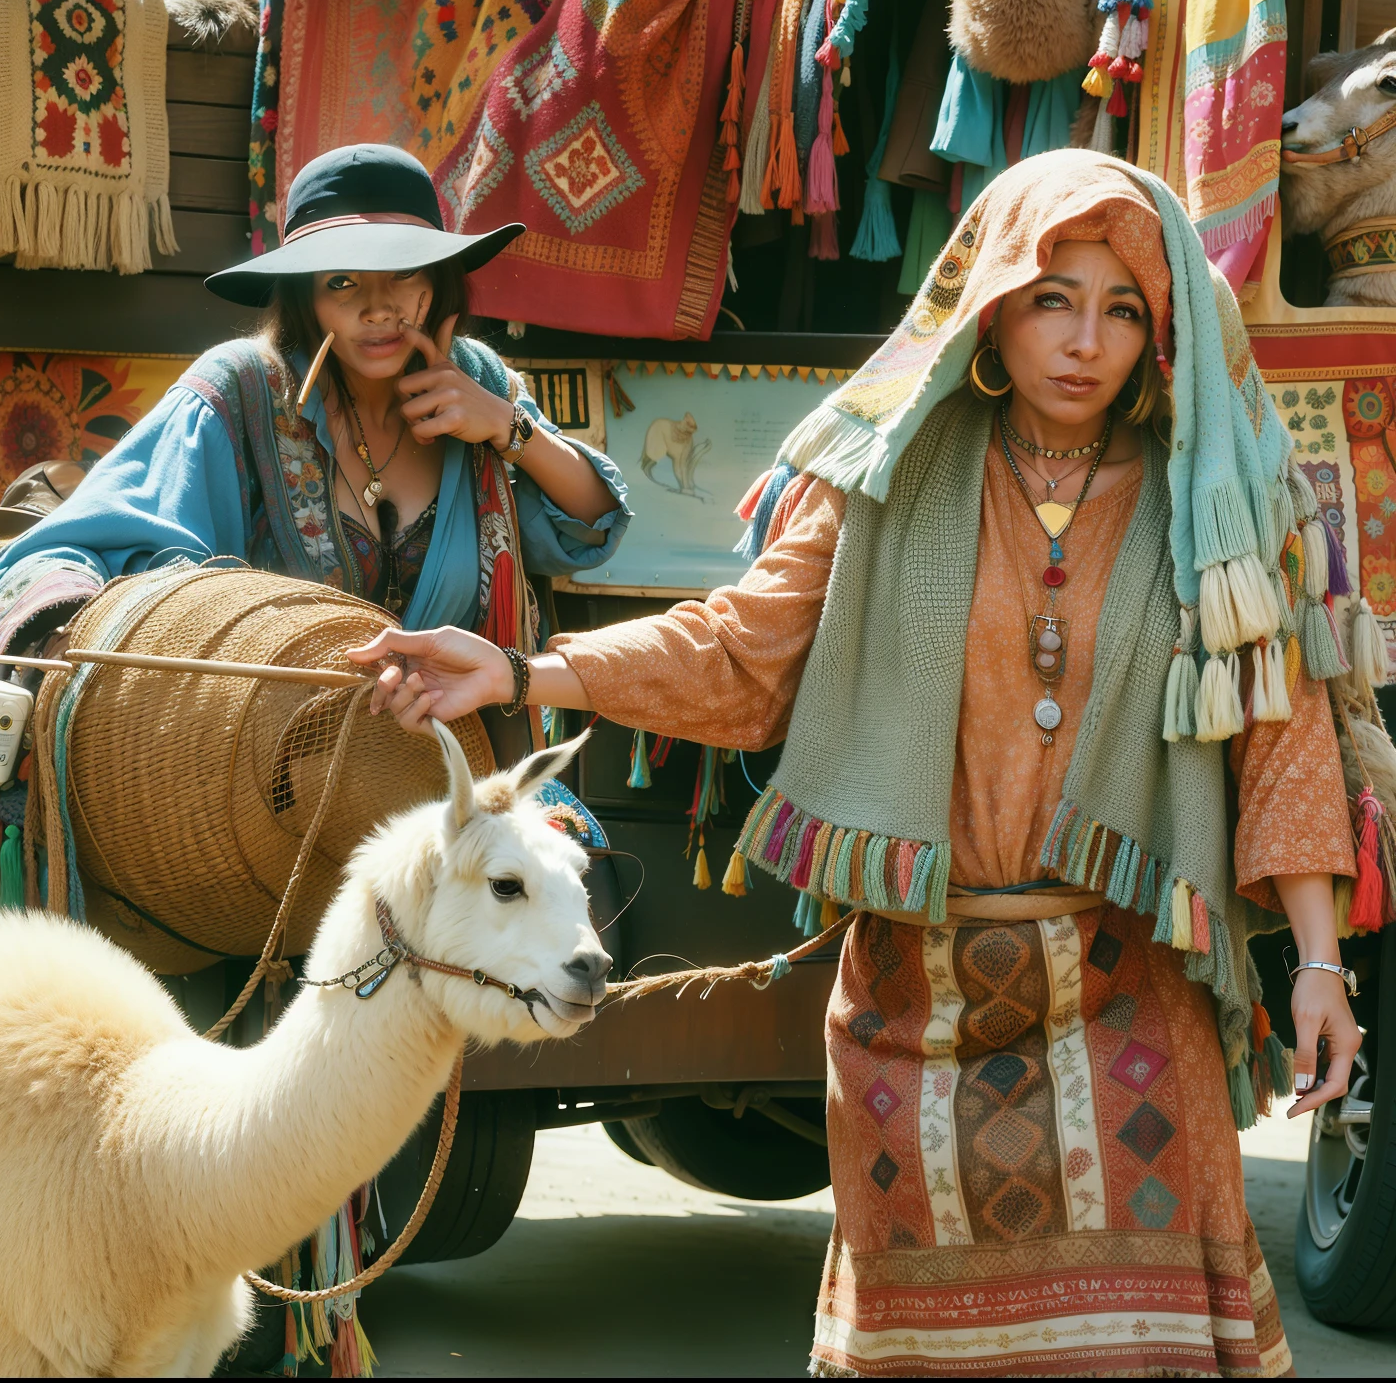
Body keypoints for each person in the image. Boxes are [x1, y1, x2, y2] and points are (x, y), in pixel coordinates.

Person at [348, 148, 1360, 1377]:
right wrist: (520, 671)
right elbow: (738, 650)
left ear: (1160, 331)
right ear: (991, 303)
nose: (1083, 340)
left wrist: (1316, 964)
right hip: (910, 999)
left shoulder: (1213, 508)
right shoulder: (875, 481)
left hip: (1127, 992)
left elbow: (1281, 733)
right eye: (1052, 297)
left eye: (1121, 309)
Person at [0, 143, 628, 696]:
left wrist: (508, 427)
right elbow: (98, 544)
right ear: (306, 299)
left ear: (440, 280)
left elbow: (594, 521)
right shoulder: (241, 390)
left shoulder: (480, 381)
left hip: (455, 765)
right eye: (342, 282)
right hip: (263, 775)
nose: (377, 307)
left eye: (402, 273)